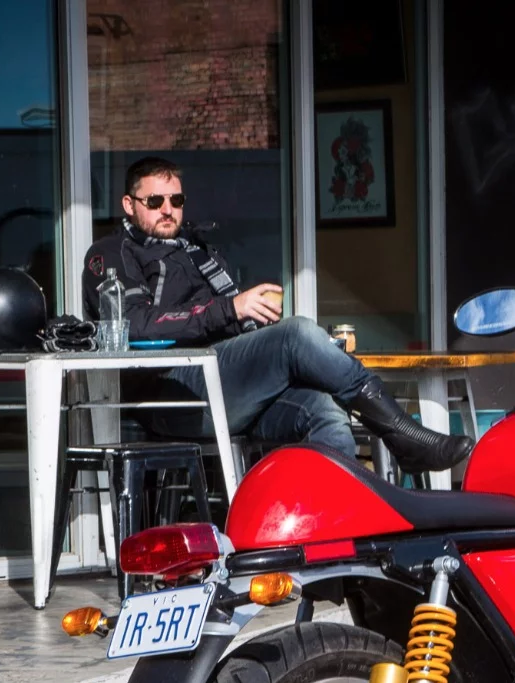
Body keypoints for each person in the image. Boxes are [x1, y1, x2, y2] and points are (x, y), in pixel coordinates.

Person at [81, 156, 470, 474]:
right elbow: (134, 324)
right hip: (172, 393)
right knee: (296, 334)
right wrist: (230, 309)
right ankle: (402, 434)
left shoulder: (197, 249)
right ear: (129, 205)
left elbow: (225, 318)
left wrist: (247, 318)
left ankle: (335, 529)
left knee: (325, 410)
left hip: (229, 384)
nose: (168, 211)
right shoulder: (112, 253)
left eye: (176, 201)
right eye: (155, 202)